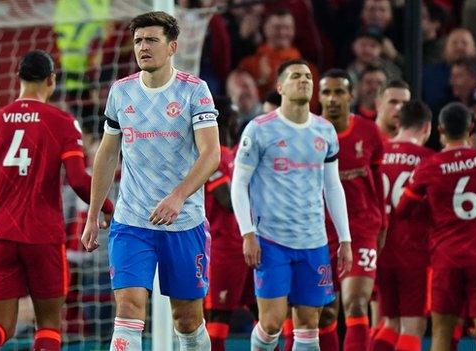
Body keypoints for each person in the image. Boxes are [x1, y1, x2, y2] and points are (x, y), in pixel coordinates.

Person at [80, 11, 220, 351]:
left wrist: (178, 197)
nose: (143, 47)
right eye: (139, 40)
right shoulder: (121, 92)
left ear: (172, 47)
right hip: (132, 221)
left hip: (183, 223)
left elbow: (211, 154)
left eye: (152, 40)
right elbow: (107, 154)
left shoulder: (194, 91)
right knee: (128, 311)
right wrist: (92, 214)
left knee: (186, 319)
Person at [0, 49, 113, 351]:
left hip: (0, 236)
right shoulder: (62, 122)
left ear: (18, 79)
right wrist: (108, 208)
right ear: (51, 80)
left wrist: (4, 188)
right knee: (49, 327)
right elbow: (79, 180)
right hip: (43, 236)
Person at [230, 59, 353, 351]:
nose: (304, 81)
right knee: (271, 323)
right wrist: (247, 233)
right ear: (279, 86)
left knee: (310, 325)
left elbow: (332, 187)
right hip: (271, 240)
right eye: (296, 76)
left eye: (308, 76)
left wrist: (345, 238)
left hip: (313, 242)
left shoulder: (324, 131)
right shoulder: (259, 129)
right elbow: (239, 183)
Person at [395, 102, 476, 351]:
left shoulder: (429, 166)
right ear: (471, 128)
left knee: (441, 335)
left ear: (440, 129)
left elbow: (404, 210)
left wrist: (435, 209)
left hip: (445, 259)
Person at [316, 68, 385, 351]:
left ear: (351, 96)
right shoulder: (310, 132)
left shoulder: (369, 132)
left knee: (356, 304)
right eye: (327, 92)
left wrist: (383, 223)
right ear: (318, 97)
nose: (333, 99)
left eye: (339, 92)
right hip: (319, 231)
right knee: (325, 313)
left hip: (361, 228)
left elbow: (378, 182)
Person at [376, 100, 434, 351]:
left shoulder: (378, 154)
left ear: (398, 123)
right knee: (412, 327)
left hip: (381, 249)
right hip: (414, 252)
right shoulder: (429, 160)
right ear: (427, 128)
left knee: (390, 323)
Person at [204, 96, 251, 351]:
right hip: (223, 249)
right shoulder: (211, 157)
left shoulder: (236, 156)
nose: (237, 122)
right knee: (218, 317)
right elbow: (228, 201)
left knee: (263, 310)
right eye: (233, 117)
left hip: (248, 245)